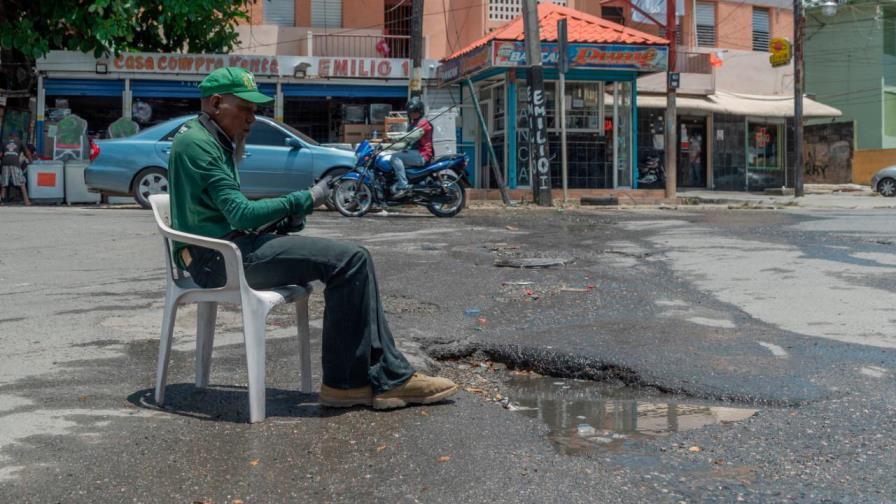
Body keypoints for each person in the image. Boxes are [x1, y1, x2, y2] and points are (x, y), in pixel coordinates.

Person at [168, 67, 457, 410]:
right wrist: (303, 199)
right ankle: (350, 383)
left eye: (254, 111)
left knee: (353, 259)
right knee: (350, 260)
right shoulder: (199, 145)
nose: (252, 119)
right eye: (245, 109)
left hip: (225, 249)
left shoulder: (207, 137)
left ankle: (374, 378)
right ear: (216, 103)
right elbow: (240, 213)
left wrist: (280, 219)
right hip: (220, 260)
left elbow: (223, 213)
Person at [385, 97, 434, 197]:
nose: (412, 113)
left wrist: (392, 137)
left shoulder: (423, 123)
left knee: (395, 157)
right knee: (392, 157)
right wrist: (386, 147)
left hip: (422, 154)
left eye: (415, 111)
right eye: (410, 111)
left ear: (420, 111)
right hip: (415, 153)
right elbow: (404, 144)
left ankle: (403, 186)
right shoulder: (412, 124)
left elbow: (412, 136)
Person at [0, 135, 31, 206]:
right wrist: (31, 162)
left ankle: (2, 202)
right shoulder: (20, 142)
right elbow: (27, 153)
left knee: (4, 183)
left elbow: (1, 154)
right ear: (17, 137)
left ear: (9, 137)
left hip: (5, 163)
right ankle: (26, 201)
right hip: (14, 163)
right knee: (22, 182)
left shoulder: (4, 142)